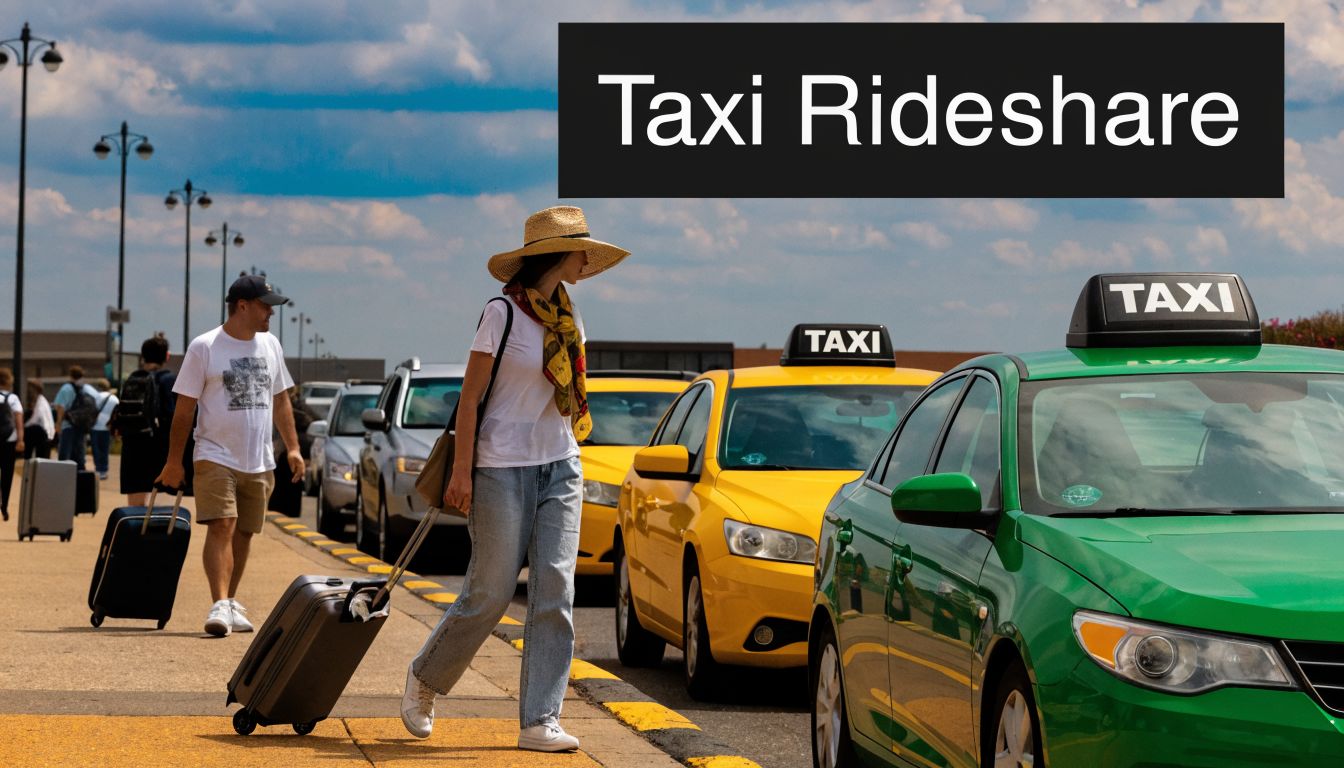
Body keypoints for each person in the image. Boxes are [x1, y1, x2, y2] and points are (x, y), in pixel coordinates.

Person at [400, 205, 628, 752]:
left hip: (560, 465)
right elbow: (471, 398)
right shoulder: (500, 314)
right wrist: (462, 472)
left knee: (555, 589)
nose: (586, 260)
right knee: (491, 592)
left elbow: (567, 397)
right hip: (499, 467)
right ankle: (426, 678)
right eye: (580, 251)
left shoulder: (570, 318)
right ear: (554, 255)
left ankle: (539, 719)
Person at [155, 275, 304, 638]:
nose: (271, 312)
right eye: (265, 305)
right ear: (242, 305)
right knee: (222, 525)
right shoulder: (205, 347)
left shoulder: (270, 345)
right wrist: (175, 460)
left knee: (245, 532)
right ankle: (219, 601)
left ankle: (230, 602)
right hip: (214, 453)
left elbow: (282, 398)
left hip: (259, 457)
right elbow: (184, 408)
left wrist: (294, 448)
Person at [120, 335, 180, 507]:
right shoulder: (169, 380)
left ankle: (135, 532)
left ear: (143, 356)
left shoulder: (132, 379)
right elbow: (173, 414)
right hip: (159, 446)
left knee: (135, 506)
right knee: (162, 505)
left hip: (132, 444)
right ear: (166, 357)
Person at [53, 365, 100, 470]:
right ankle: (80, 479)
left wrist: (58, 424)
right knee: (79, 456)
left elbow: (60, 407)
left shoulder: (66, 388)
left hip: (68, 426)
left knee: (65, 456)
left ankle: (64, 477)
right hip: (81, 426)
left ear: (70, 375)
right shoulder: (86, 388)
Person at [0, 369, 24, 522]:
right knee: (7, 473)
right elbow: (18, 420)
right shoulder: (13, 398)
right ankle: (5, 505)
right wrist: (20, 440)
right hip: (9, 439)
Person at [90, 379, 119, 481]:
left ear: (99, 387)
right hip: (108, 427)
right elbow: (116, 415)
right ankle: (104, 470)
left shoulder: (96, 397)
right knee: (105, 450)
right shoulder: (115, 399)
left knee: (96, 449)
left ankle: (98, 469)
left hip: (95, 426)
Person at [23, 378, 54, 460]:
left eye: (29, 388)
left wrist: (23, 427)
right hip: (44, 434)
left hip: (42, 433)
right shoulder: (40, 400)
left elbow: (36, 418)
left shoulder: (40, 401)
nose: (28, 390)